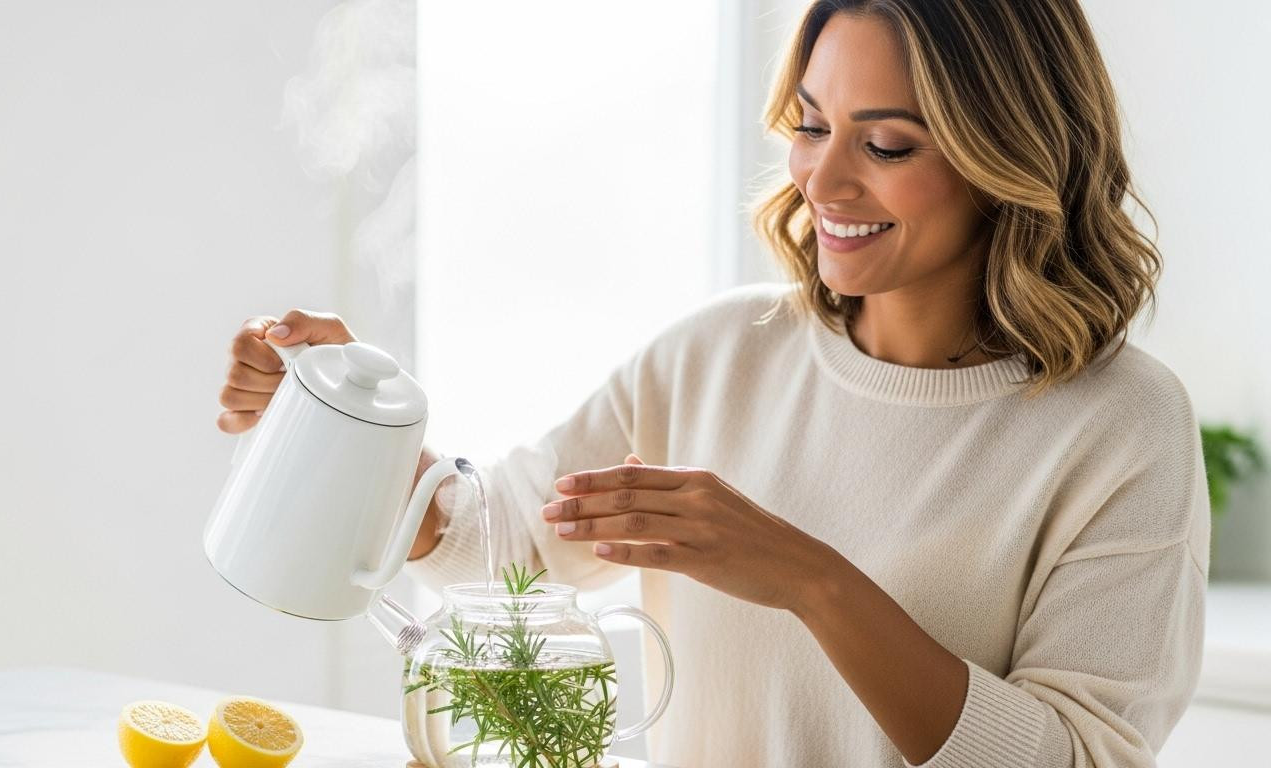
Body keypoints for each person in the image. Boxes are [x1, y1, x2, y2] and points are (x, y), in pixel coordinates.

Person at [216, 0, 1207, 765]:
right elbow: (503, 545)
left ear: (1011, 156)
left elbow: (1081, 757)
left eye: (887, 144)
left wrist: (812, 582)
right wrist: (344, 421)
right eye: (811, 125)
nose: (820, 182)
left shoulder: (1119, 427)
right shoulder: (720, 353)